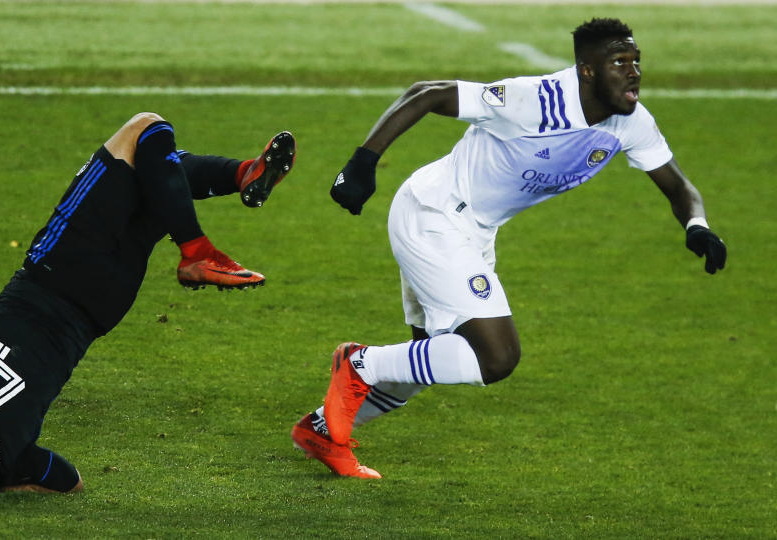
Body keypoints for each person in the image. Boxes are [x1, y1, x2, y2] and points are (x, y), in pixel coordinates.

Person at [291, 18, 726, 479]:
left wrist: (697, 226)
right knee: (495, 357)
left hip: (473, 232)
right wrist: (363, 163)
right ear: (587, 71)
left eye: (636, 61)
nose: (633, 72)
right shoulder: (535, 100)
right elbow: (429, 92)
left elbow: (678, 186)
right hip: (433, 213)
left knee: (432, 357)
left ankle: (321, 430)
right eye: (619, 62)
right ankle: (360, 363)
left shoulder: (631, 123)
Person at [0, 112, 296, 495]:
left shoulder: (6, 456)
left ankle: (245, 175)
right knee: (145, 131)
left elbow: (70, 481)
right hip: (53, 269)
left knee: (152, 185)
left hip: (99, 311)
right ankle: (197, 248)